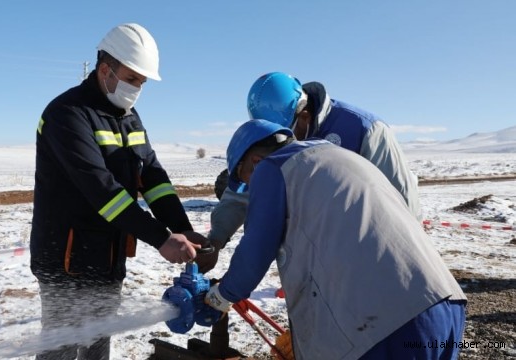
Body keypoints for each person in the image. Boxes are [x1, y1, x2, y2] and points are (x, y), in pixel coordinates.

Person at [204, 119, 467, 360]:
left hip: (388, 327)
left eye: (244, 182)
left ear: (255, 162)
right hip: (444, 305)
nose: (250, 190)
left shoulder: (272, 168)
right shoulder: (339, 157)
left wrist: (222, 295)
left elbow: (256, 249)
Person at [29, 23, 204, 360]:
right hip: (65, 258)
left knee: (98, 341)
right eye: (133, 78)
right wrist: (161, 238)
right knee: (61, 346)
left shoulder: (128, 117)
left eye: (142, 82)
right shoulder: (66, 115)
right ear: (106, 70)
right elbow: (102, 192)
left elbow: (152, 178)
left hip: (108, 254)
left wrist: (181, 227)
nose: (138, 88)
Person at [199, 72, 421, 271]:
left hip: (367, 257)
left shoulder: (365, 130)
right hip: (312, 265)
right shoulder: (277, 140)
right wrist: (216, 239)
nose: (283, 139)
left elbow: (402, 202)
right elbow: (243, 191)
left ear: (304, 115)